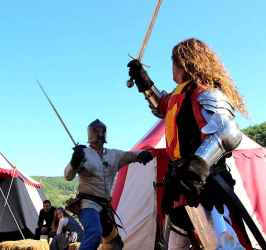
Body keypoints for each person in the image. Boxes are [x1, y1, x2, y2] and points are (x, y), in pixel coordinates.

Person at [127, 38, 249, 249]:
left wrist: (196, 168)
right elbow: (161, 106)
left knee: (223, 245)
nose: (171, 67)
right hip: (178, 184)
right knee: (177, 245)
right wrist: (143, 80)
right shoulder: (178, 94)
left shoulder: (203, 91)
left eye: (173, 62)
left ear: (183, 63)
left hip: (203, 184)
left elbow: (226, 131)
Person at [65, 119, 154, 250]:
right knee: (94, 233)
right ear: (91, 135)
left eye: (102, 132)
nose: (100, 135)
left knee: (115, 244)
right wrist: (74, 161)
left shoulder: (113, 155)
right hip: (88, 204)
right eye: (97, 132)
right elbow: (68, 176)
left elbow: (129, 155)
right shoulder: (84, 155)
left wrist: (141, 154)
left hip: (104, 207)